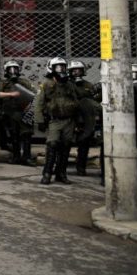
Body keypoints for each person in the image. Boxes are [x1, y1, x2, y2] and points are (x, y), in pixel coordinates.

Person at [34, 57, 81, 185]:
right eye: (58, 67)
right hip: (54, 120)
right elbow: (38, 104)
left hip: (69, 121)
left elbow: (77, 102)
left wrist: (78, 121)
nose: (61, 70)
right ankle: (47, 173)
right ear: (51, 69)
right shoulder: (46, 84)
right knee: (52, 145)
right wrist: (40, 121)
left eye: (63, 67)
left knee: (66, 147)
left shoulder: (70, 84)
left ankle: (61, 173)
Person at [0, 61, 36, 166]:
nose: (13, 71)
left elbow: (33, 94)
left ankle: (26, 157)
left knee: (27, 134)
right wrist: (11, 94)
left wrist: (29, 104)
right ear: (6, 71)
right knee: (14, 135)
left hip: (24, 111)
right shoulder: (3, 83)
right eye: (10, 69)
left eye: (15, 69)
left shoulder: (24, 82)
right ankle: (16, 157)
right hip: (11, 112)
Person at [70, 60, 101, 177]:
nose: (77, 72)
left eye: (79, 70)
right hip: (71, 118)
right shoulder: (67, 84)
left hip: (85, 119)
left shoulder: (88, 85)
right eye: (74, 70)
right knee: (64, 143)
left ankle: (81, 167)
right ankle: (60, 168)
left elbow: (93, 102)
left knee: (84, 144)